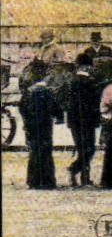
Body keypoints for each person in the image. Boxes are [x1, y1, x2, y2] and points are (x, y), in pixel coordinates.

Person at [22, 61, 64, 189]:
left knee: (34, 151)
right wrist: (59, 118)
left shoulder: (28, 92)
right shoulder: (48, 92)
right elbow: (57, 108)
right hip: (46, 125)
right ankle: (46, 180)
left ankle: (33, 180)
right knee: (46, 151)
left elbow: (22, 107)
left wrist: (27, 120)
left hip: (31, 125)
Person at [64, 50, 103, 188]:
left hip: (74, 121)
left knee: (81, 149)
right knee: (90, 149)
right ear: (87, 67)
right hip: (88, 121)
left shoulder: (71, 82)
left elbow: (68, 103)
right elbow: (95, 104)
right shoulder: (91, 83)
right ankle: (77, 172)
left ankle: (83, 177)